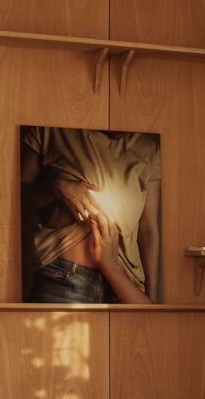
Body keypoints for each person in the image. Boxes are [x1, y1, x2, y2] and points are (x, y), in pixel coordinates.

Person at [20, 127, 162, 305]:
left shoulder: (149, 150)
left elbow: (148, 228)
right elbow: (17, 202)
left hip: (126, 283)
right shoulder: (51, 130)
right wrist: (57, 187)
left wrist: (153, 296)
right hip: (63, 278)